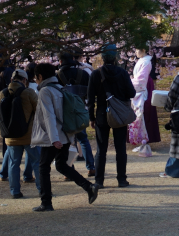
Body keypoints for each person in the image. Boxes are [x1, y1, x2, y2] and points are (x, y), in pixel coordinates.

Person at [30, 63, 99, 212]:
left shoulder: (45, 91)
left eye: (36, 78)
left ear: (40, 77)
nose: (35, 80)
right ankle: (89, 187)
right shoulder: (61, 88)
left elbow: (49, 116)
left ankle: (46, 202)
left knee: (43, 167)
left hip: (53, 136)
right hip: (66, 134)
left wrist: (54, 139)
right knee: (61, 165)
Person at [87, 44, 136, 188]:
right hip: (119, 115)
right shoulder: (122, 73)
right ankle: (121, 179)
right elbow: (132, 93)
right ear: (116, 57)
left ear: (102, 57)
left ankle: (99, 180)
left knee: (101, 149)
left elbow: (90, 98)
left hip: (102, 114)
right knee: (120, 148)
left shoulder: (96, 74)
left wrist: (91, 117)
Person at [0, 69, 41, 199]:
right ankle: (42, 189)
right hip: (28, 135)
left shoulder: (1, 94)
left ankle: (15, 191)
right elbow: (39, 111)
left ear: (11, 80)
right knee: (37, 162)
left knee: (14, 163)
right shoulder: (29, 93)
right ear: (24, 80)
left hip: (11, 136)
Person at [57, 50, 95, 176]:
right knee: (83, 139)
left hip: (63, 112)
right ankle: (91, 167)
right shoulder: (83, 74)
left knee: (66, 141)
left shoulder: (57, 75)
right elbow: (90, 92)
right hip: (80, 110)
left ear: (60, 61)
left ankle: (69, 169)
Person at [129, 48, 153, 157]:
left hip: (140, 91)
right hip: (137, 91)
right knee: (138, 117)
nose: (135, 53)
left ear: (143, 50)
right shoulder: (143, 61)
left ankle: (143, 141)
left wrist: (129, 83)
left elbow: (141, 80)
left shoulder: (146, 62)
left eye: (137, 50)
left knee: (141, 118)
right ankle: (140, 141)